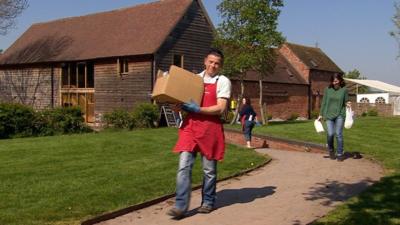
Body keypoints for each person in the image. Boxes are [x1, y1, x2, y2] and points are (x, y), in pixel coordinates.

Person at [167, 49, 231, 219]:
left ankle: (208, 201)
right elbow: (181, 101)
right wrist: (178, 106)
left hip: (210, 129)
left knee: (209, 170)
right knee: (183, 166)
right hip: (190, 127)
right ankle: (181, 206)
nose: (213, 65)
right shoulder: (194, 79)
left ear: (220, 65)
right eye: (211, 62)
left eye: (217, 63)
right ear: (205, 61)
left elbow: (221, 108)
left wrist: (198, 109)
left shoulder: (223, 81)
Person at [318, 73, 352, 162]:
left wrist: (348, 104)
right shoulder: (327, 89)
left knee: (338, 134)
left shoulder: (344, 90)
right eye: (333, 81)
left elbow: (346, 101)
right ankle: (331, 150)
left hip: (340, 115)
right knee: (330, 134)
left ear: (340, 81)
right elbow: (324, 102)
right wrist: (321, 114)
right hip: (328, 115)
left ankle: (340, 153)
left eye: (336, 81)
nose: (334, 82)